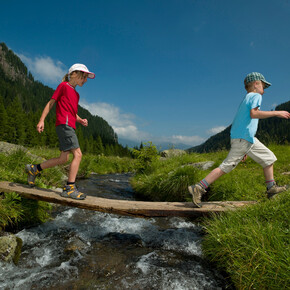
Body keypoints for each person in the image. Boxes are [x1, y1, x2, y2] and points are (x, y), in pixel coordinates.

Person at [188, 72, 290, 208]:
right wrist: (277, 113)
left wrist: (245, 148)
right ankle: (199, 187)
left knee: (269, 158)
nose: (264, 91)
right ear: (256, 84)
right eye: (263, 86)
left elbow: (241, 121)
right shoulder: (255, 96)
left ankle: (271, 189)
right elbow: (254, 114)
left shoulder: (247, 98)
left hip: (247, 139)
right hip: (243, 139)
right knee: (226, 166)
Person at [25, 63, 95, 200]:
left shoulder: (76, 94)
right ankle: (69, 188)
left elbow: (72, 112)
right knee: (78, 154)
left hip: (70, 125)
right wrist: (41, 120)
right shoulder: (63, 86)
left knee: (64, 158)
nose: (85, 80)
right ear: (74, 74)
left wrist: (80, 120)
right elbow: (51, 103)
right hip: (64, 124)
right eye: (84, 76)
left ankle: (34, 169)